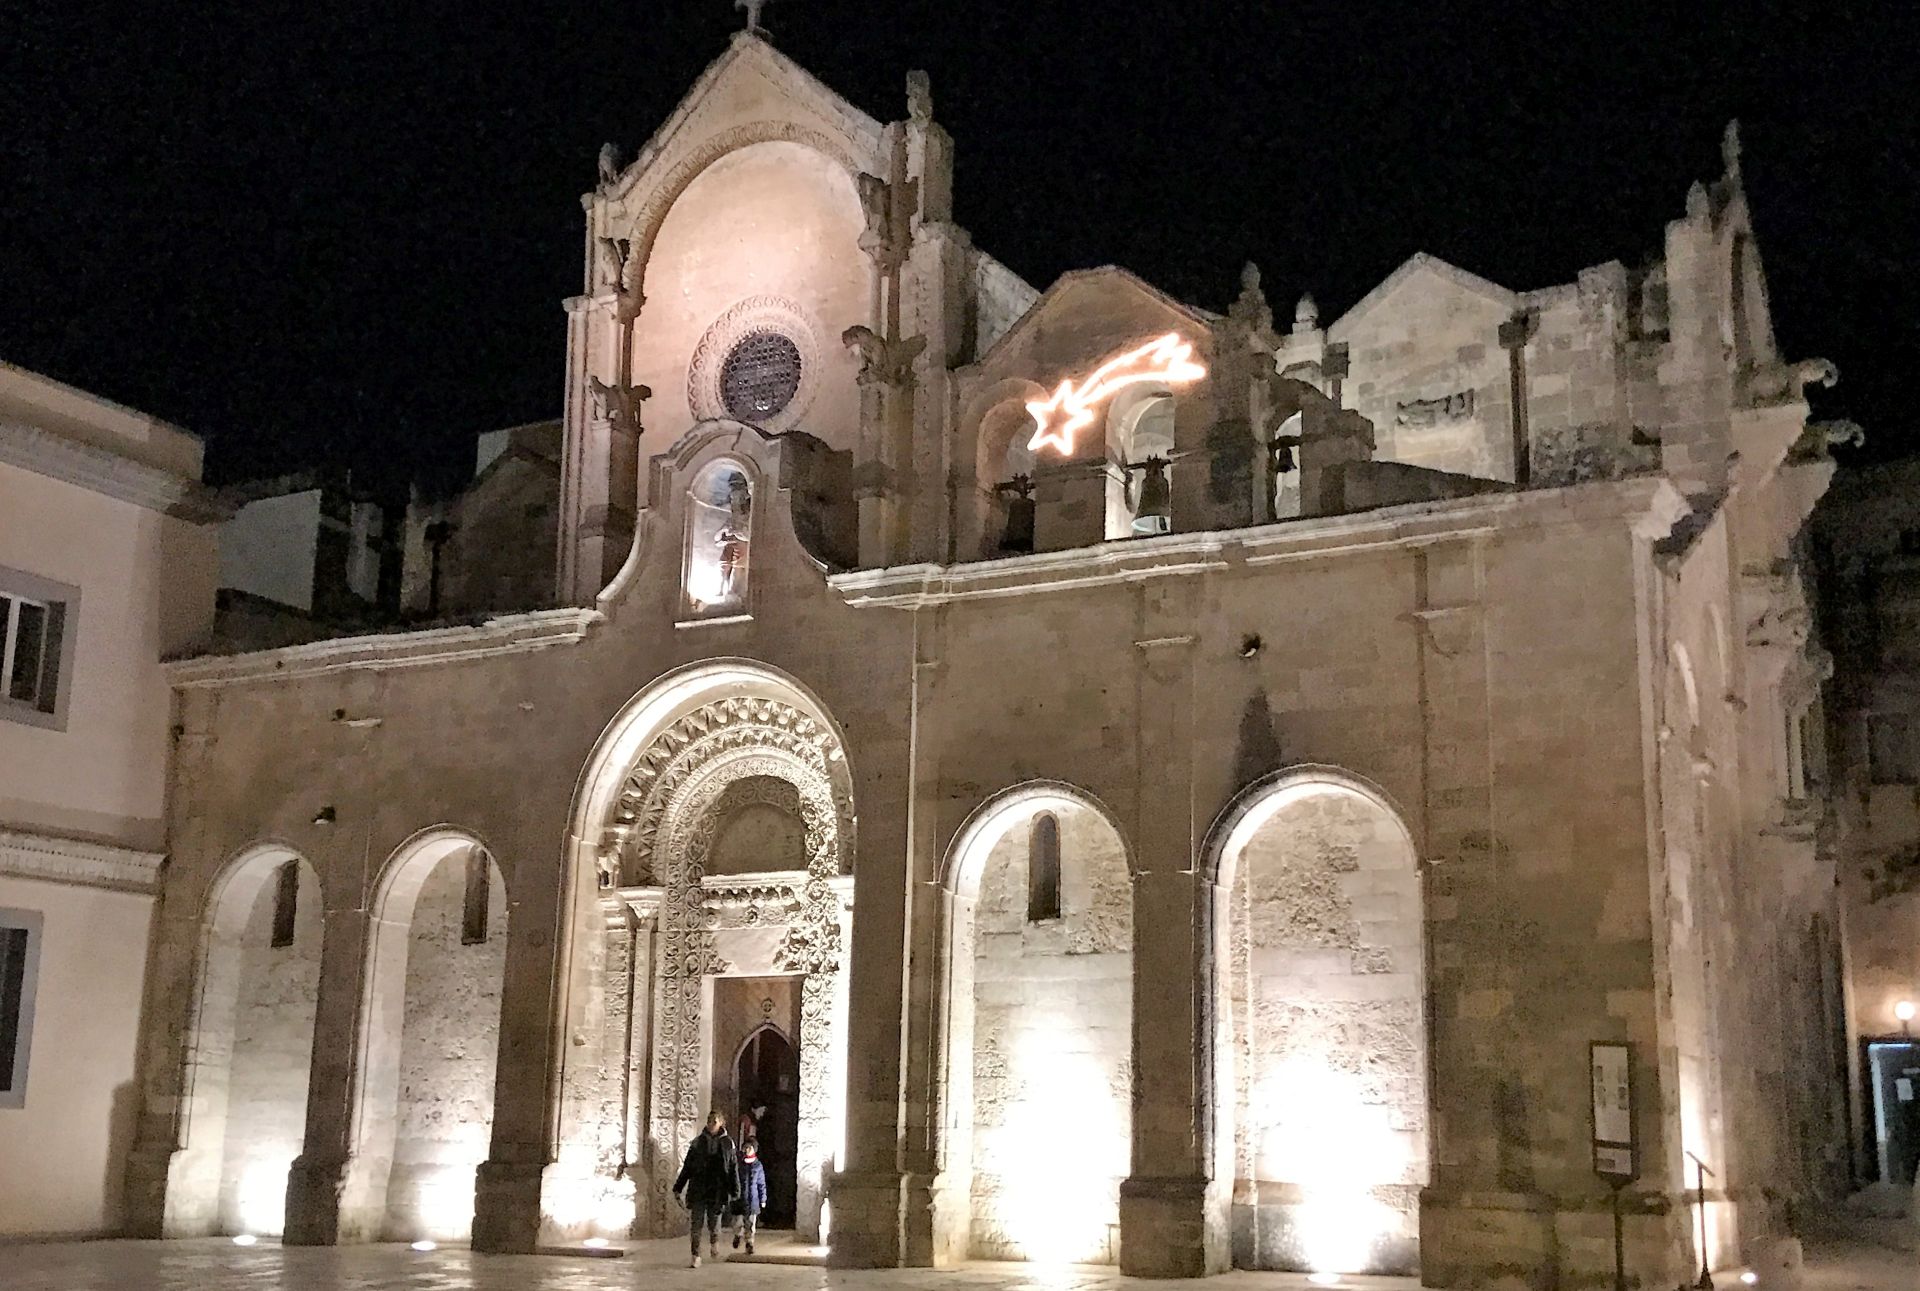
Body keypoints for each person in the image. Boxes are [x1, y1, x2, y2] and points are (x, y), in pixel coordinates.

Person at [673, 1110, 739, 1267]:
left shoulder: (728, 1143)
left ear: (721, 1123)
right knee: (696, 1223)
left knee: (714, 1221)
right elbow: (688, 1166)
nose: (712, 1124)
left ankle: (714, 1242)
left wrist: (735, 1189)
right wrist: (678, 1187)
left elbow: (732, 1167)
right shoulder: (697, 1142)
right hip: (699, 1187)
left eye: (715, 1121)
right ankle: (695, 1255)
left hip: (716, 1189)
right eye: (710, 1121)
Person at [732, 1137, 767, 1254]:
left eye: (749, 1148)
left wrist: (763, 1198)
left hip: (753, 1199)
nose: (747, 1150)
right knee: (738, 1221)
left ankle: (749, 1243)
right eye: (745, 1147)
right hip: (739, 1198)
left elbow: (761, 1184)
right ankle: (738, 1235)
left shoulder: (758, 1166)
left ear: (754, 1150)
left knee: (750, 1223)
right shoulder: (739, 1164)